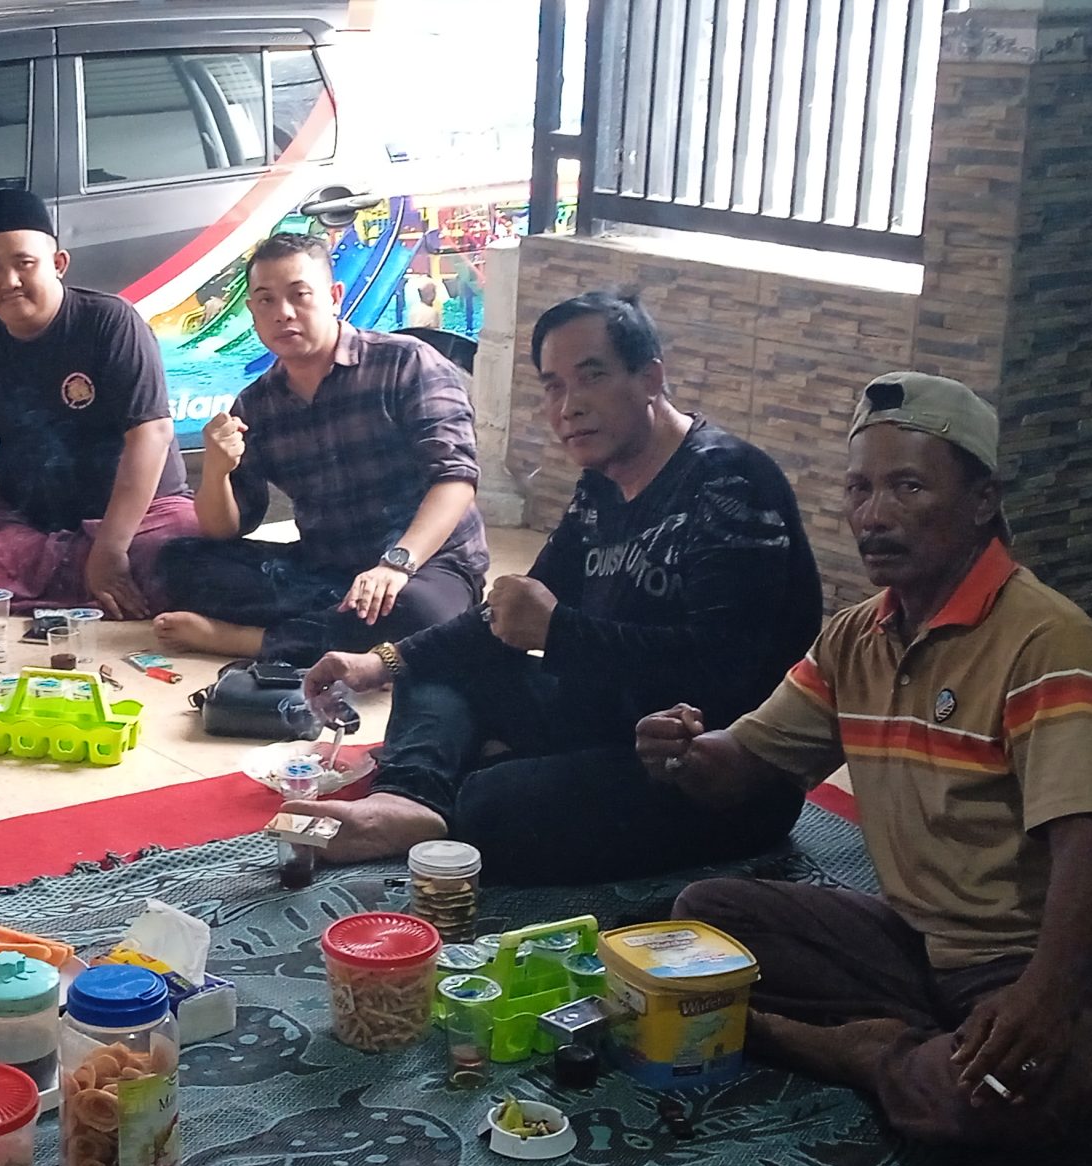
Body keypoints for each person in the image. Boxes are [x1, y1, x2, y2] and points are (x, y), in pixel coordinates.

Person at [641, 372, 1092, 1146]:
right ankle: (932, 1040)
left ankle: (850, 1050)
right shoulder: (855, 637)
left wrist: (1044, 996)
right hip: (932, 945)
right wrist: (681, 752)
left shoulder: (1048, 643)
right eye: (860, 489)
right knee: (707, 915)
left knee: (977, 1107)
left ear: (982, 502)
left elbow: (1088, 849)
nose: (875, 516)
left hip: (1079, 960)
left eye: (908, 487)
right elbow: (739, 766)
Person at [279, 292, 822, 880]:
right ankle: (409, 801)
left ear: (650, 379)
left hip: (706, 769)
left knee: (495, 805)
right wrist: (380, 662)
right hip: (608, 716)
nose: (568, 406)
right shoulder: (603, 483)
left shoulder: (730, 483)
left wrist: (560, 630)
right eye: (553, 386)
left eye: (590, 378)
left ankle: (459, 798)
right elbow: (506, 618)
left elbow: (727, 672)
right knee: (437, 665)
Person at [152, 233, 488, 664]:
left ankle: (249, 641)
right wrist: (216, 471)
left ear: (333, 296)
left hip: (426, 563)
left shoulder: (407, 363)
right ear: (252, 311)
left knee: (424, 615)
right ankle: (338, 624)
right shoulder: (258, 403)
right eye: (266, 301)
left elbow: (456, 479)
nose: (284, 314)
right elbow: (225, 529)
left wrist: (396, 564)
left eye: (299, 295)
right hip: (325, 568)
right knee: (177, 562)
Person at [0, 188, 197, 618]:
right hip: (31, 522)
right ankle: (78, 582)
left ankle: (34, 583)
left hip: (137, 518)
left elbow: (152, 435)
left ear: (58, 264)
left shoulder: (110, 322)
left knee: (181, 550)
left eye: (23, 264)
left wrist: (111, 546)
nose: (9, 281)